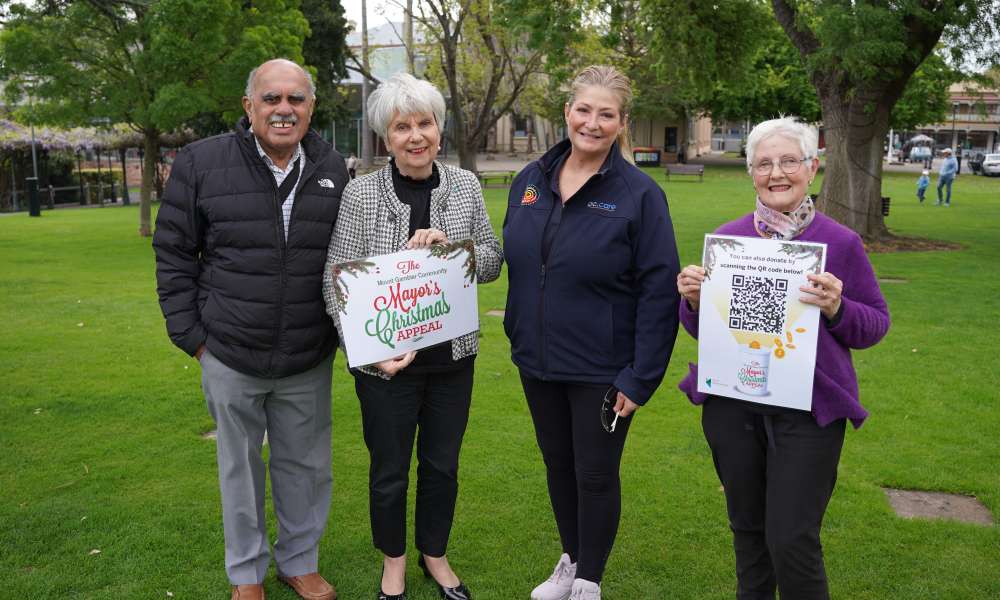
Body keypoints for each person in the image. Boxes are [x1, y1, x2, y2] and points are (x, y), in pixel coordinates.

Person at [153, 59, 348, 600]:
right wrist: (192, 337)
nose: (284, 109)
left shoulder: (333, 166)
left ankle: (299, 562)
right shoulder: (201, 162)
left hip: (307, 354)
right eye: (271, 99)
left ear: (311, 107)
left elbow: (351, 256)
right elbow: (173, 253)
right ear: (249, 106)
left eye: (296, 99)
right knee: (239, 469)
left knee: (305, 468)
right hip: (229, 351)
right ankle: (246, 575)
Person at [675, 117, 890, 600]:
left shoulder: (841, 243)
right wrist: (691, 301)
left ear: (811, 168)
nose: (777, 173)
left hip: (810, 412)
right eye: (764, 163)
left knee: (792, 539)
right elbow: (705, 332)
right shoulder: (728, 240)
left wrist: (838, 308)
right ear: (751, 172)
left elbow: (875, 323)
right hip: (734, 407)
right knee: (749, 534)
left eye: (789, 161)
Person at [503, 65, 680, 600]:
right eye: (584, 110)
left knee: (595, 474)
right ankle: (571, 561)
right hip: (537, 359)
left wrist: (639, 376)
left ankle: (588, 582)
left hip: (604, 368)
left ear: (622, 123)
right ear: (567, 113)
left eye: (606, 114)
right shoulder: (530, 180)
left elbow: (658, 290)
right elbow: (519, 258)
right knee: (559, 466)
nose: (593, 123)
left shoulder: (639, 195)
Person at [322, 72, 502, 600]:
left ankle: (435, 555)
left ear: (439, 131)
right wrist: (367, 354)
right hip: (386, 366)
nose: (415, 135)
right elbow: (338, 279)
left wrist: (456, 248)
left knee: (442, 466)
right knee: (389, 470)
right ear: (387, 137)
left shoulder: (465, 186)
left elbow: (491, 263)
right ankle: (394, 562)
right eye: (403, 126)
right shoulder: (361, 193)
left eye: (425, 123)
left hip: (452, 361)